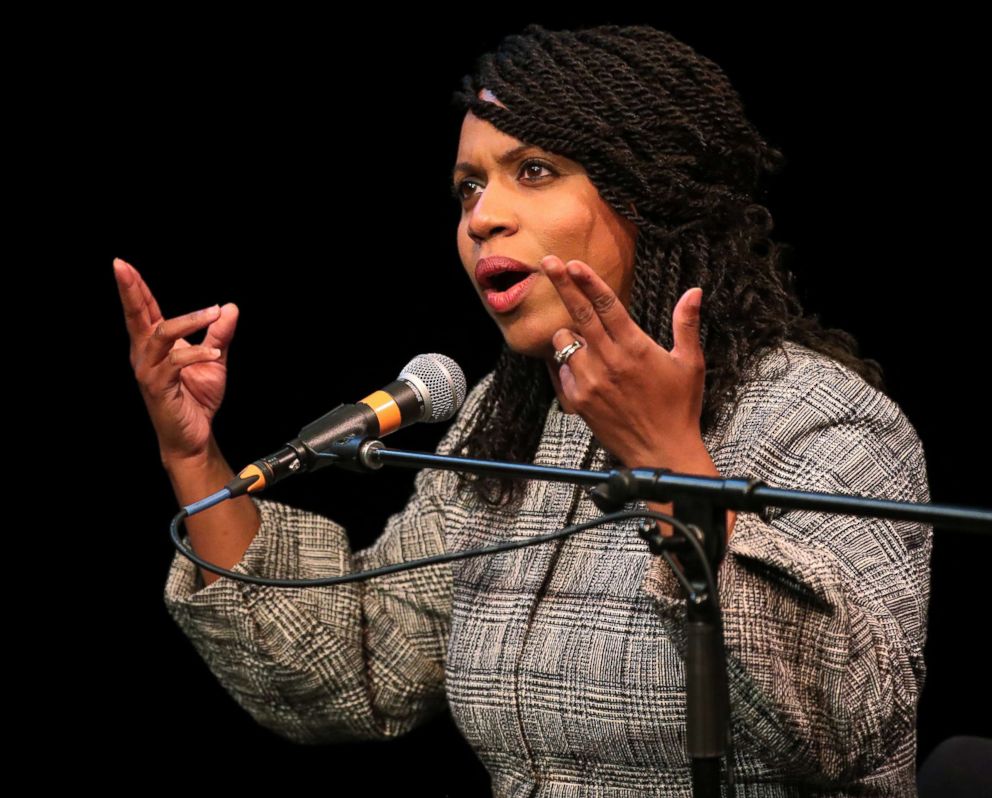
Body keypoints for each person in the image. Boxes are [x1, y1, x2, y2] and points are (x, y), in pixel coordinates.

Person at [116, 23, 932, 796]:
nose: (483, 216)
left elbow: (850, 722)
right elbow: (359, 667)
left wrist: (670, 464)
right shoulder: (510, 423)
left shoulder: (820, 418)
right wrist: (193, 457)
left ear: (646, 192)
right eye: (469, 186)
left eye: (533, 170)